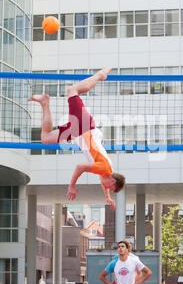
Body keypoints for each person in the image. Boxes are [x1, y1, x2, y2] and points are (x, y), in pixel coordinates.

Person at [28, 67, 126, 210]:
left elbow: (101, 178)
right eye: (111, 188)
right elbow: (80, 167)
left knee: (46, 138)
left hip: (78, 132)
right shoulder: (104, 168)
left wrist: (107, 197)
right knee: (72, 90)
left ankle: (45, 102)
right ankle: (100, 75)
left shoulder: (105, 170)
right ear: (113, 180)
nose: (107, 188)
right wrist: (72, 186)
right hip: (84, 127)